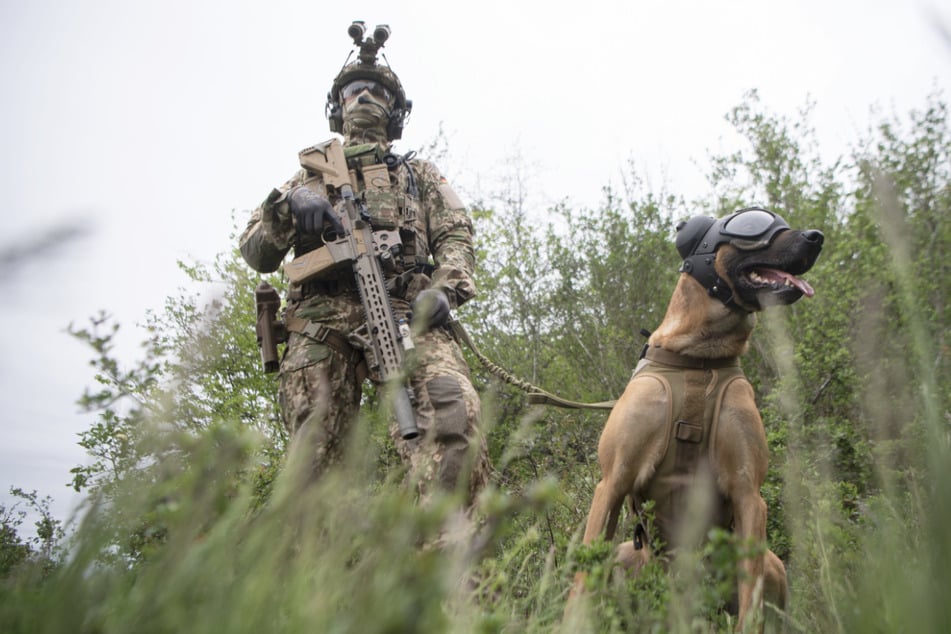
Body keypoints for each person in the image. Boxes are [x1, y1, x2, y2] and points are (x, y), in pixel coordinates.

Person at [239, 21, 489, 506]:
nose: (366, 97)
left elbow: (457, 235)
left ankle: (446, 564)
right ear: (338, 106)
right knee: (313, 461)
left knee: (452, 420)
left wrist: (445, 288)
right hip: (320, 322)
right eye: (355, 90)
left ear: (395, 112)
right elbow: (255, 251)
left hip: (404, 311)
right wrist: (289, 209)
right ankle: (313, 578)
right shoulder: (303, 178)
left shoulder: (419, 175)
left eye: (378, 91)